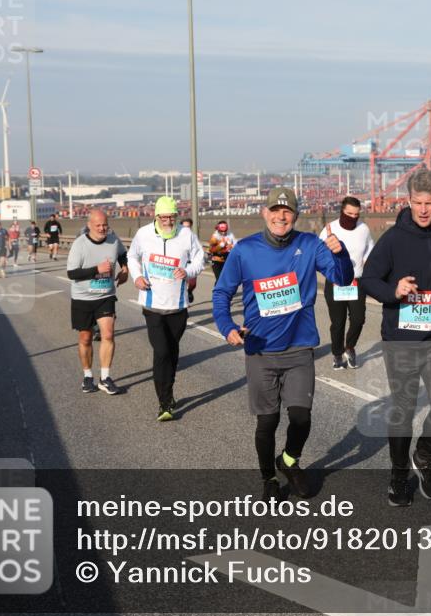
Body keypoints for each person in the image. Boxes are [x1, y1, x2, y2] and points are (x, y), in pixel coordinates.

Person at [213, 188, 353, 502]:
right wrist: (227, 327)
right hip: (261, 350)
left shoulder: (310, 244)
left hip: (299, 348)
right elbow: (222, 293)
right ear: (265, 213)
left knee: (301, 417)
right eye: (275, 210)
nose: (281, 216)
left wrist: (340, 254)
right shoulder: (244, 250)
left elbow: (342, 280)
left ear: (295, 216)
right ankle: (269, 478)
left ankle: (288, 461)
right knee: (268, 420)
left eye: (287, 211)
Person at [361, 168, 431, 507]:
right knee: (405, 409)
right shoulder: (394, 238)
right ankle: (397, 475)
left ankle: (424, 455)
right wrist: (394, 290)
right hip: (401, 340)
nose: (423, 210)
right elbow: (368, 279)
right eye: (417, 203)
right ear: (407, 201)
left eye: (430, 203)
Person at [127, 197, 205, 420]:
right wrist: (138, 276)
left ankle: (168, 391)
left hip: (178, 305)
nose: (168, 220)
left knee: (172, 351)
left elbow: (200, 257)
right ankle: (164, 403)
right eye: (164, 217)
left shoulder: (186, 234)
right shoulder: (143, 234)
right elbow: (132, 256)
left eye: (172, 216)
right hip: (152, 305)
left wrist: (188, 271)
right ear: (156, 216)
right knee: (161, 352)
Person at [67, 209, 129, 394]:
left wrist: (125, 268)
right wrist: (96, 269)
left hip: (105, 296)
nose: (102, 229)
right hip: (83, 298)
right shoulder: (80, 244)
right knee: (85, 338)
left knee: (108, 334)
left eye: (105, 225)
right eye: (98, 225)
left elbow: (122, 253)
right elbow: (72, 273)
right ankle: (87, 376)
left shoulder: (113, 239)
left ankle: (105, 377)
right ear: (89, 226)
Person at [318, 196, 374, 370]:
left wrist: (366, 268)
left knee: (358, 319)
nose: (352, 217)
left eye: (356, 214)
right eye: (349, 213)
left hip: (356, 281)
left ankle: (349, 348)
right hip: (336, 282)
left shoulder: (364, 229)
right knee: (338, 322)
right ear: (342, 211)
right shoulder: (329, 229)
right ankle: (337, 354)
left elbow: (369, 251)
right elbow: (319, 256)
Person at [179, 217, 198, 304]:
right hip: (181, 264)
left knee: (193, 284)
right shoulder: (176, 238)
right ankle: (184, 300)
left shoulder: (193, 237)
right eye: (184, 227)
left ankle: (189, 291)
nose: (187, 229)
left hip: (191, 263)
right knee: (181, 283)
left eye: (188, 227)